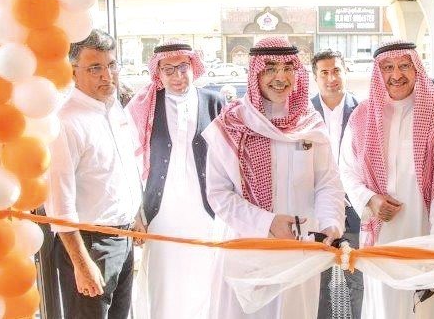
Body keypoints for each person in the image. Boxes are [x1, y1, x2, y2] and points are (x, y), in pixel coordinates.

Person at [202, 36, 345, 319]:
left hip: (300, 250)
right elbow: (218, 194)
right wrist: (267, 223)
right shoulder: (231, 124)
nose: (281, 78)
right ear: (255, 73)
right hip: (248, 249)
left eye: (288, 68)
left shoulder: (309, 122)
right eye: (270, 69)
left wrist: (330, 223)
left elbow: (327, 182)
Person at [340, 39, 434, 319]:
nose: (396, 75)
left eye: (404, 65)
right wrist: (370, 200)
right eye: (388, 67)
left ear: (416, 68)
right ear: (378, 73)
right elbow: (346, 169)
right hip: (380, 233)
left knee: (425, 308)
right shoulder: (362, 116)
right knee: (384, 307)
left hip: (425, 231)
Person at [46, 29, 143, 319]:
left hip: (124, 238)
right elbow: (58, 202)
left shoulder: (115, 109)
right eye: (95, 68)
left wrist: (136, 215)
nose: (107, 75)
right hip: (90, 245)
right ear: (73, 71)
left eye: (112, 65)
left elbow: (124, 170)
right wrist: (81, 263)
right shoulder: (65, 122)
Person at [127, 40, 226, 319]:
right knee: (164, 282)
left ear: (193, 67)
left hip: (206, 211)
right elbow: (128, 162)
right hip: (161, 212)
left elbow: (230, 158)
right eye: (168, 70)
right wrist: (136, 212)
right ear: (158, 73)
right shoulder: (145, 105)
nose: (177, 76)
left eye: (183, 67)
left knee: (205, 281)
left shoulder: (214, 102)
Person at [309, 49, 363, 319]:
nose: (331, 78)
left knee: (356, 281)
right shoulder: (304, 113)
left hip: (355, 212)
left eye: (336, 71)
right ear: (315, 77)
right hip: (316, 213)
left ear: (345, 71)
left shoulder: (363, 111)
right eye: (324, 73)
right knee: (317, 283)